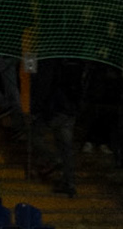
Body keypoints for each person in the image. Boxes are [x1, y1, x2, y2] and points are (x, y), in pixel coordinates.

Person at [32, 58, 85, 196]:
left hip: (56, 109)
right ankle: (69, 183)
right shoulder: (77, 64)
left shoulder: (53, 64)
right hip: (70, 110)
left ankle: (53, 159)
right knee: (66, 148)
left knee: (35, 135)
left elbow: (47, 86)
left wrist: (39, 108)